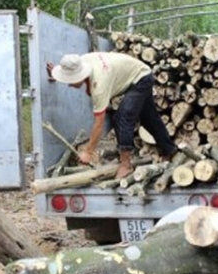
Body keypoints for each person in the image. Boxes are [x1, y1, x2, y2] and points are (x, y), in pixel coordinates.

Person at [48, 52, 177, 179]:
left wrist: (88, 152)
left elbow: (99, 124)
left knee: (122, 118)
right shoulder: (80, 61)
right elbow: (70, 72)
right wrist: (59, 76)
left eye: (71, 80)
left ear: (80, 75)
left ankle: (126, 165)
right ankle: (170, 150)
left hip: (141, 78)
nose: (69, 84)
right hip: (138, 74)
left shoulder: (99, 85)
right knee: (149, 118)